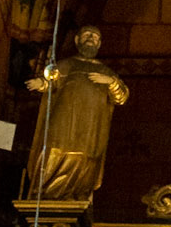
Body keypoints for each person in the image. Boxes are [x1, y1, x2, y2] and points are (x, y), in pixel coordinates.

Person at [23, 23, 129, 201]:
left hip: (90, 128)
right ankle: (46, 193)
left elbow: (122, 97)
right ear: (77, 39)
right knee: (55, 151)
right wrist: (41, 83)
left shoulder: (105, 71)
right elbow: (51, 80)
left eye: (95, 37)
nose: (90, 39)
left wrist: (110, 81)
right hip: (64, 121)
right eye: (87, 35)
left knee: (85, 159)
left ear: (99, 44)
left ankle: (75, 194)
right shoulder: (67, 64)